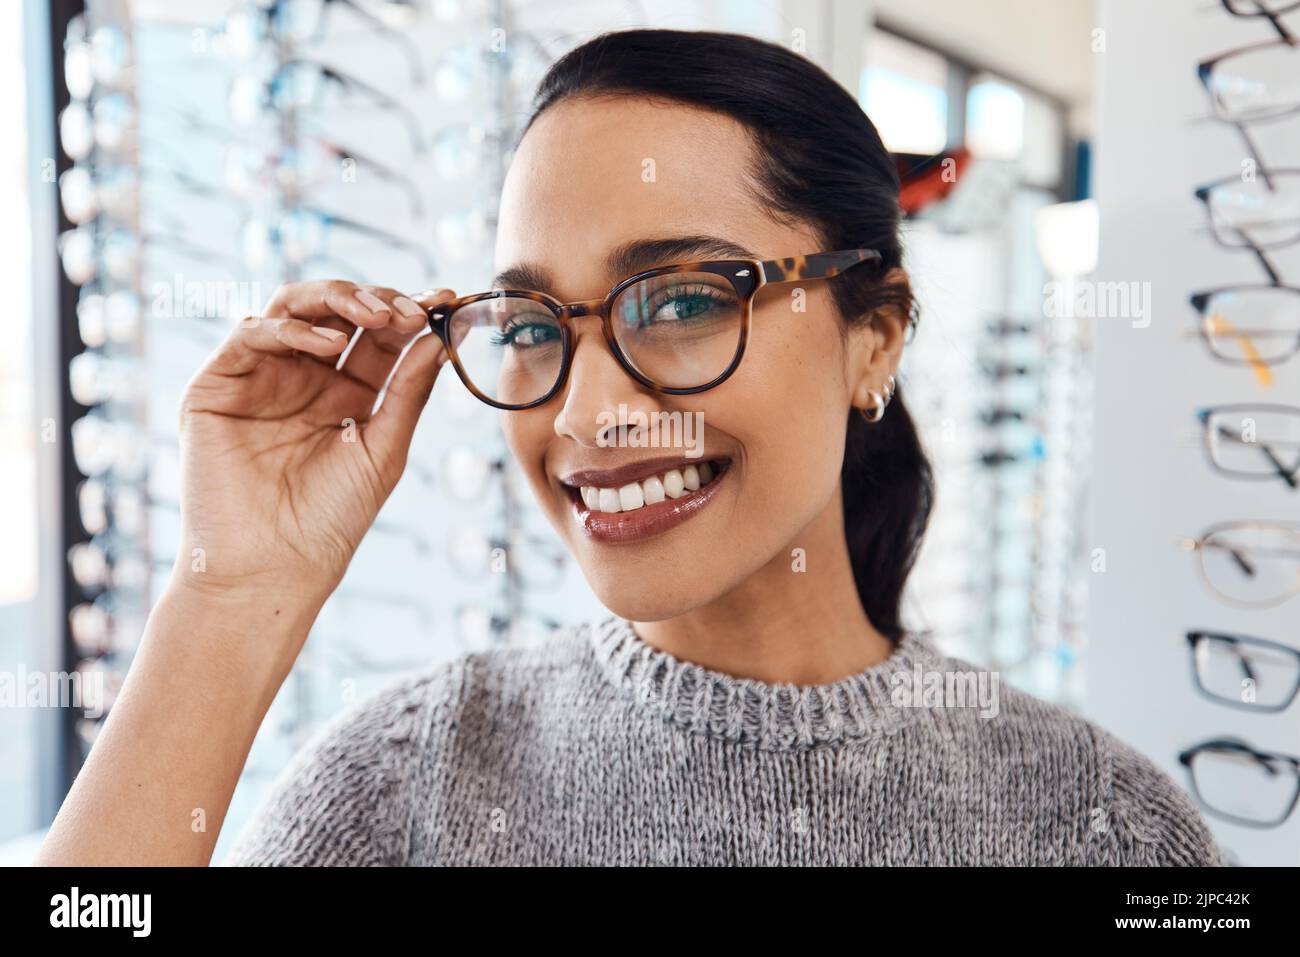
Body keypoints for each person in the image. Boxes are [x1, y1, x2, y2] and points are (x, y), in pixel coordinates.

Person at [36, 28, 1221, 866]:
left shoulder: (1095, 825)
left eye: (684, 298)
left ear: (875, 336)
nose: (589, 413)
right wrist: (231, 597)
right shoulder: (403, 785)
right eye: (533, 324)